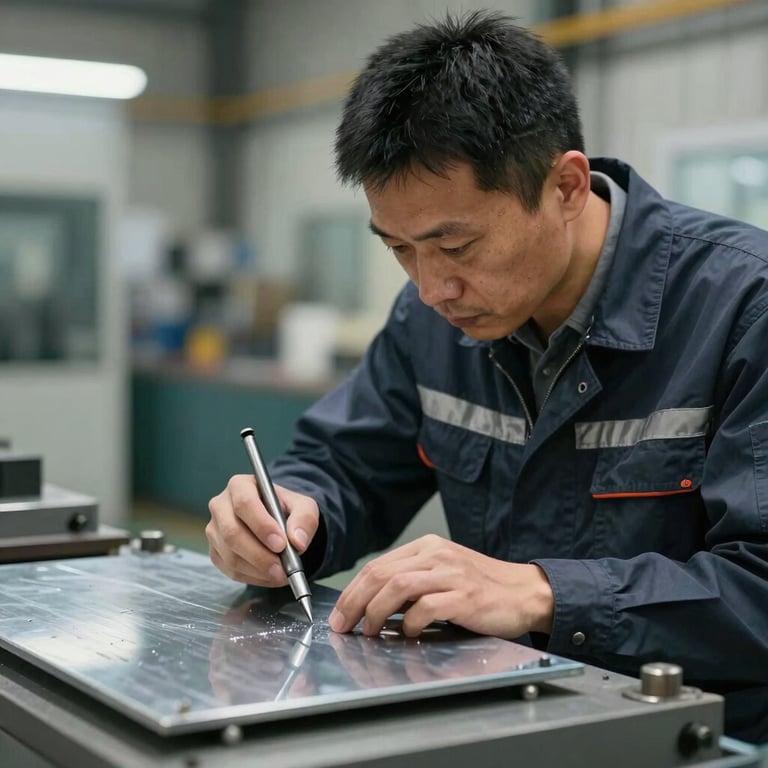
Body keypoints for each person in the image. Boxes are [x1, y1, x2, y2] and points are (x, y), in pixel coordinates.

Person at [207, 11, 768, 742]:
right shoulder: (428, 321)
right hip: (510, 724)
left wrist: (544, 593)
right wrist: (288, 521)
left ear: (565, 186)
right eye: (401, 249)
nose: (432, 286)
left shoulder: (743, 308)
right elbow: (345, 464)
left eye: (455, 243)